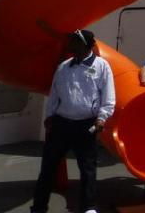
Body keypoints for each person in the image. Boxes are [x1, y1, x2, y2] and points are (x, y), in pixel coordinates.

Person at [31, 29, 115, 213]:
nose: (71, 44)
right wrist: (49, 116)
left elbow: (108, 97)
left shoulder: (102, 66)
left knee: (87, 169)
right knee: (47, 169)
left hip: (86, 125)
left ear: (86, 45)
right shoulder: (64, 67)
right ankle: (38, 207)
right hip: (62, 124)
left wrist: (102, 118)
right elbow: (54, 94)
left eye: (75, 41)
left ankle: (89, 207)